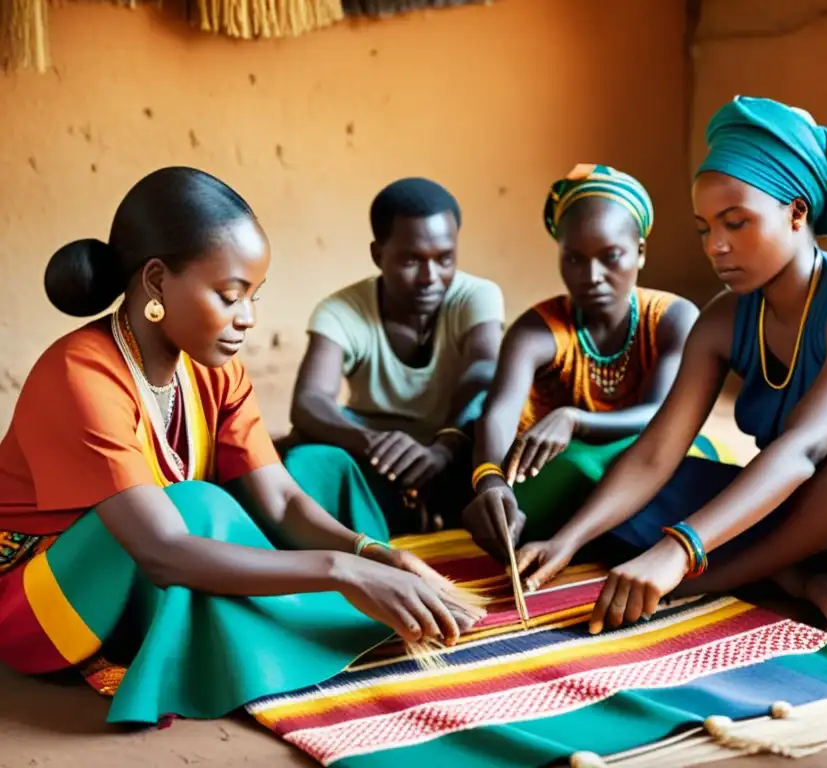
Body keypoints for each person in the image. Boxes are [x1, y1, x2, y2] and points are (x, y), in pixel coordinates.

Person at [0, 167, 477, 724]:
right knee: (198, 505)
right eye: (230, 296)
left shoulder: (214, 370)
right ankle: (260, 638)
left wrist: (373, 553)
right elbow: (163, 549)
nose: (247, 319)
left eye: (254, 295)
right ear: (156, 282)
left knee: (317, 467)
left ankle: (267, 622)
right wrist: (341, 572)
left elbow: (281, 501)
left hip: (151, 556)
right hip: (41, 598)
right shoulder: (79, 373)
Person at [515, 98, 827, 641]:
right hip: (799, 510)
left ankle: (720, 578)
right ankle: (796, 576)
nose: (716, 247)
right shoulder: (723, 319)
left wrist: (680, 551)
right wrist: (570, 541)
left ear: (797, 213)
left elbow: (806, 449)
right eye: (704, 228)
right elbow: (656, 452)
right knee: (607, 476)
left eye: (736, 222)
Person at [462, 164, 732, 562]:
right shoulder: (537, 330)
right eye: (574, 259)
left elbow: (663, 414)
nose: (592, 276)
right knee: (580, 470)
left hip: (645, 462)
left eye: (611, 257)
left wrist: (576, 420)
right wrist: (490, 481)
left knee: (698, 458)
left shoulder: (673, 319)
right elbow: (498, 413)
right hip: (561, 475)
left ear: (640, 252)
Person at [289, 178, 504, 535]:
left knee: (497, 439)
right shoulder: (341, 311)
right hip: (375, 456)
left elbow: (483, 374)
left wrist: (443, 448)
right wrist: (374, 444)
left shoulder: (477, 296)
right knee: (304, 460)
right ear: (378, 255)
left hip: (455, 445)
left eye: (444, 259)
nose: (429, 277)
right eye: (410, 260)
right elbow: (309, 401)